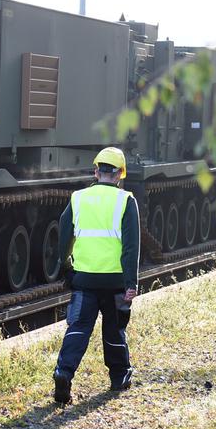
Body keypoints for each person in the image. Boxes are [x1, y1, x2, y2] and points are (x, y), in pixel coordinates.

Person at [52, 146, 140, 405]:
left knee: (78, 328)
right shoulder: (126, 201)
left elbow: (64, 234)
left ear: (95, 171)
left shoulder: (78, 198)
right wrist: (131, 283)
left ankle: (63, 373)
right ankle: (119, 376)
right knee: (114, 331)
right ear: (120, 174)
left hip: (84, 281)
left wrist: (66, 265)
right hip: (114, 283)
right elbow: (131, 247)